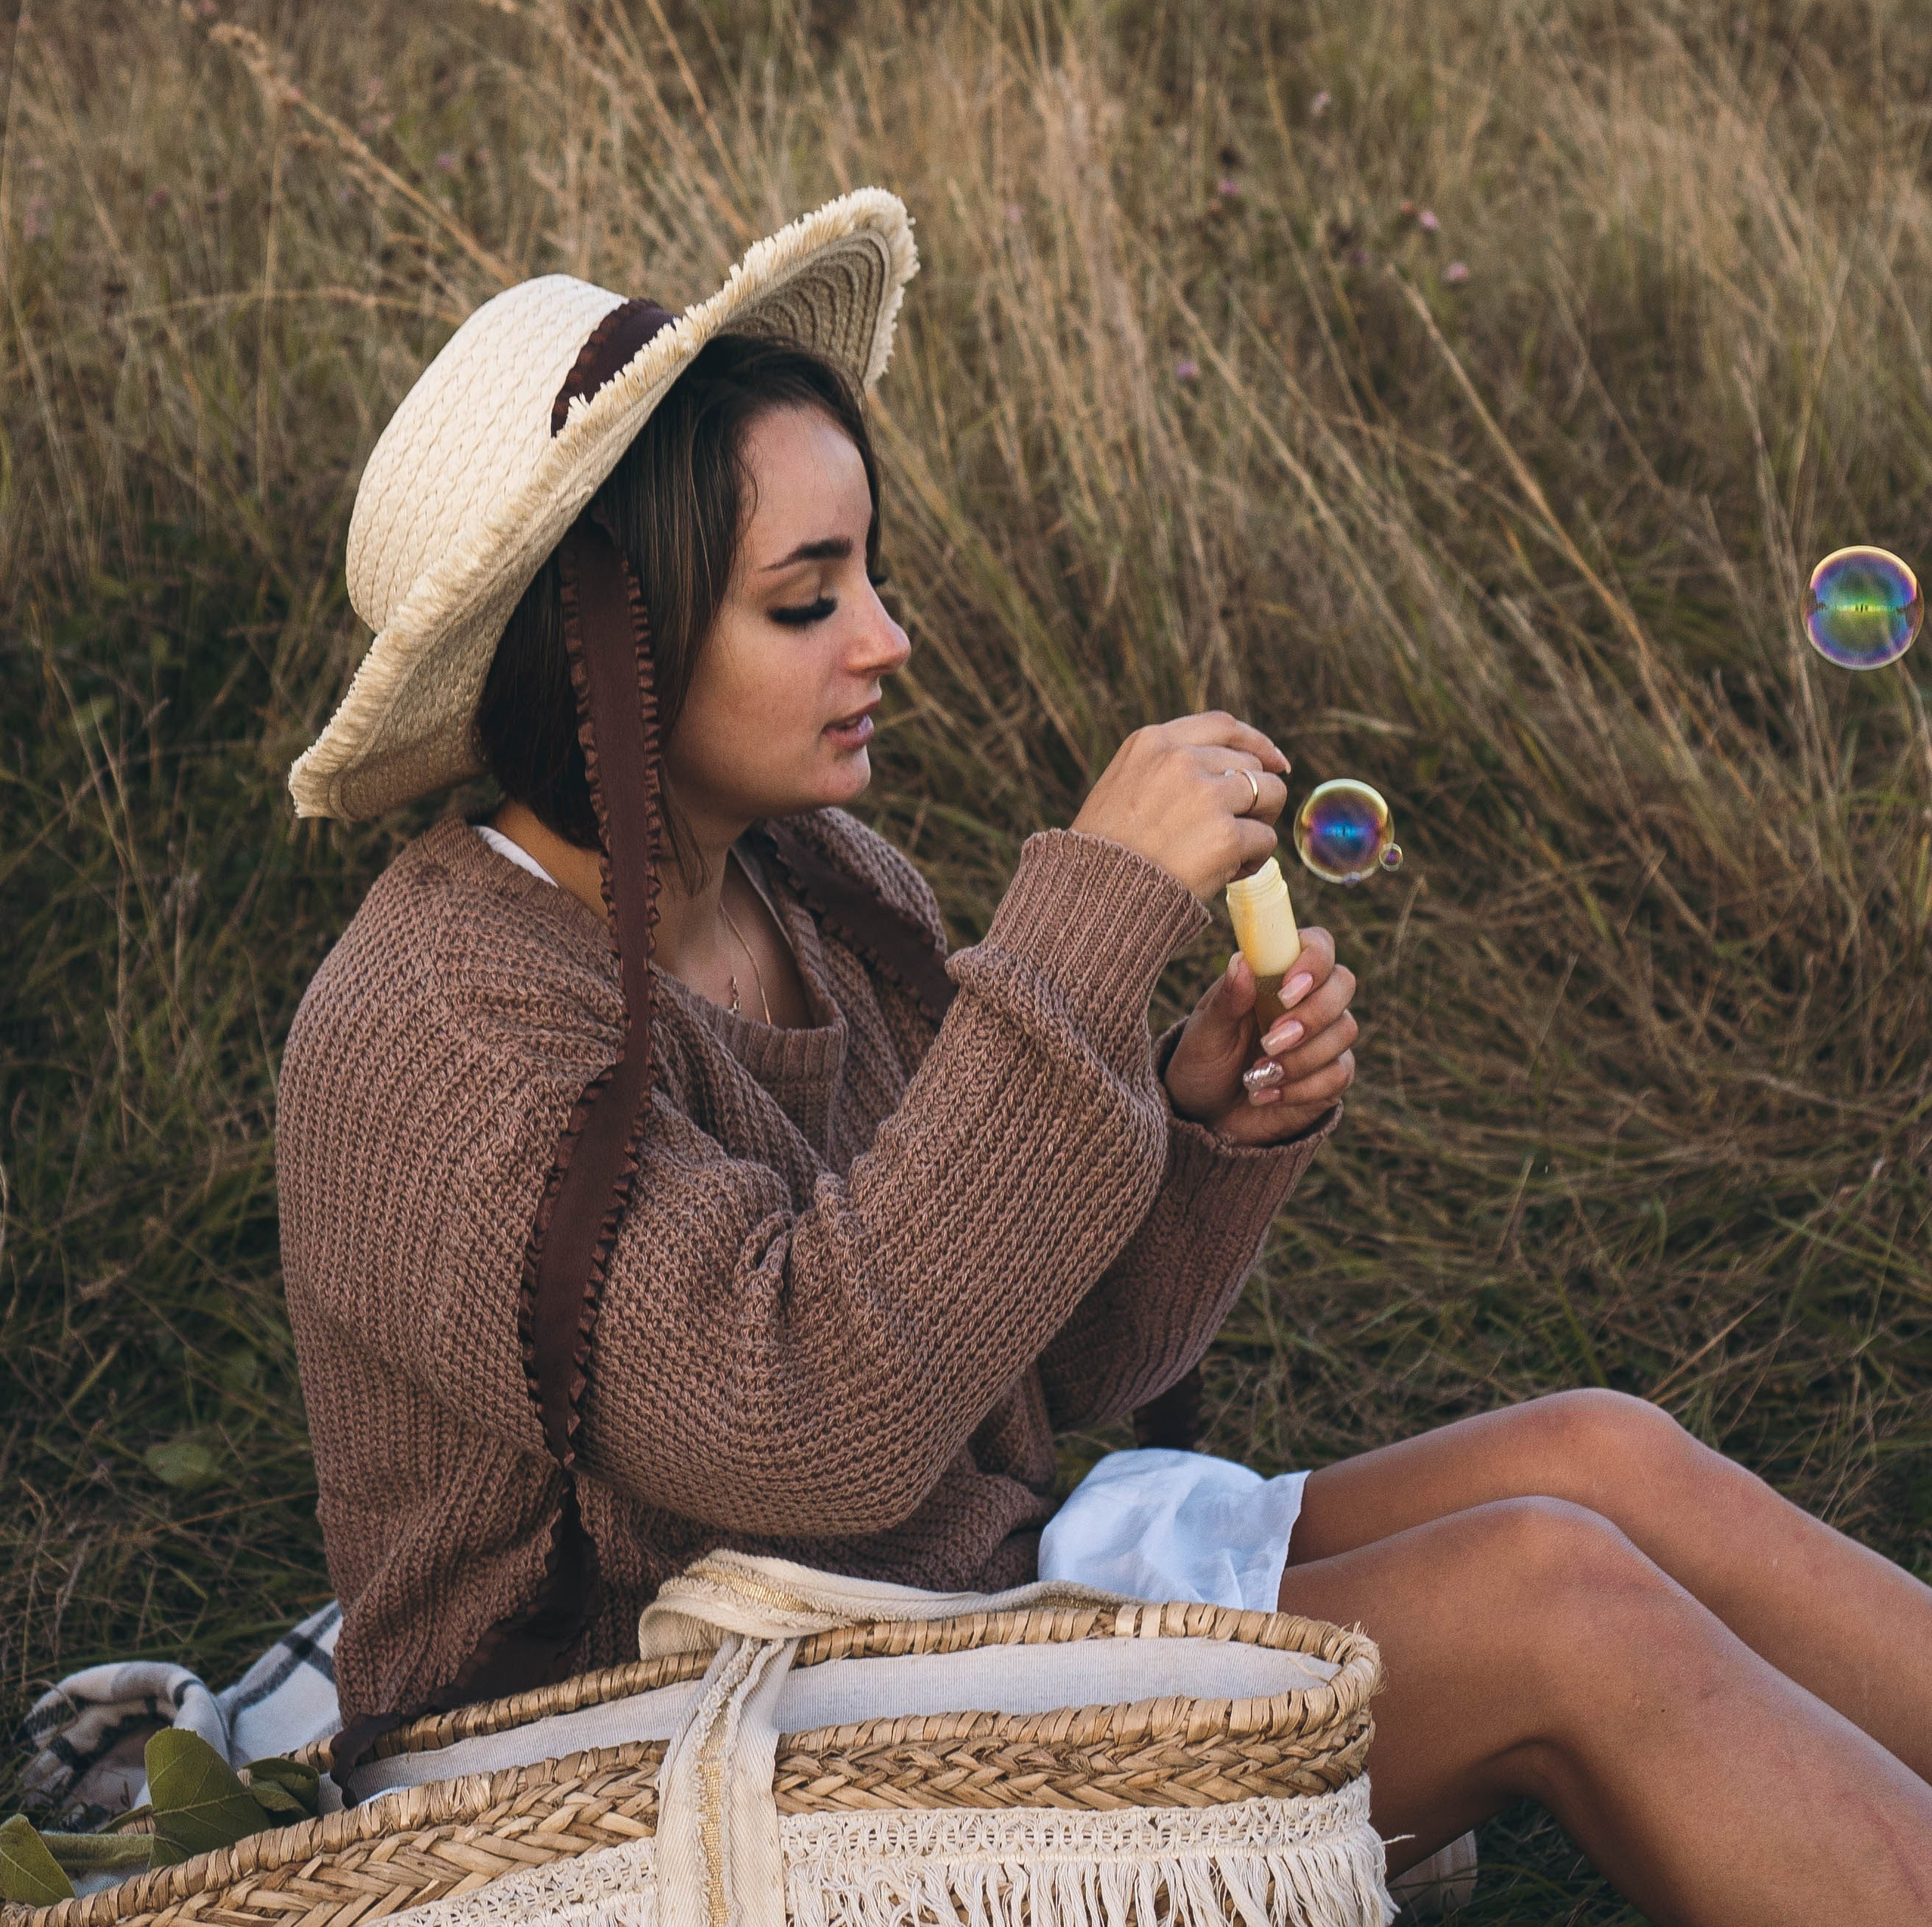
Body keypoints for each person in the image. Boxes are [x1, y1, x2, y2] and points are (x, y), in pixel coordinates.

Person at [278, 192, 1932, 1922]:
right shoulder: (437, 1030)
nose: (884, 640)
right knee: (1551, 1605)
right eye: (803, 601)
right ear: (590, 656)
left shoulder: (817, 888)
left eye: (868, 575)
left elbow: (1012, 1376)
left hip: (898, 1616)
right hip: (625, 1763)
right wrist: (1088, 923)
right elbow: (804, 1428)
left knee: (1600, 1460)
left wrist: (1190, 1133)